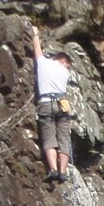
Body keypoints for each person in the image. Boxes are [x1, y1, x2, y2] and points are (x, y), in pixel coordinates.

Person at [31, 26, 74, 183]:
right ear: (63, 61)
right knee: (63, 137)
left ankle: (53, 169)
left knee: (49, 136)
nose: (68, 68)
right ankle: (63, 171)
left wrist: (35, 33)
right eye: (68, 64)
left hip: (46, 101)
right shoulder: (65, 72)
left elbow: (37, 48)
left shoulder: (43, 63)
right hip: (62, 103)